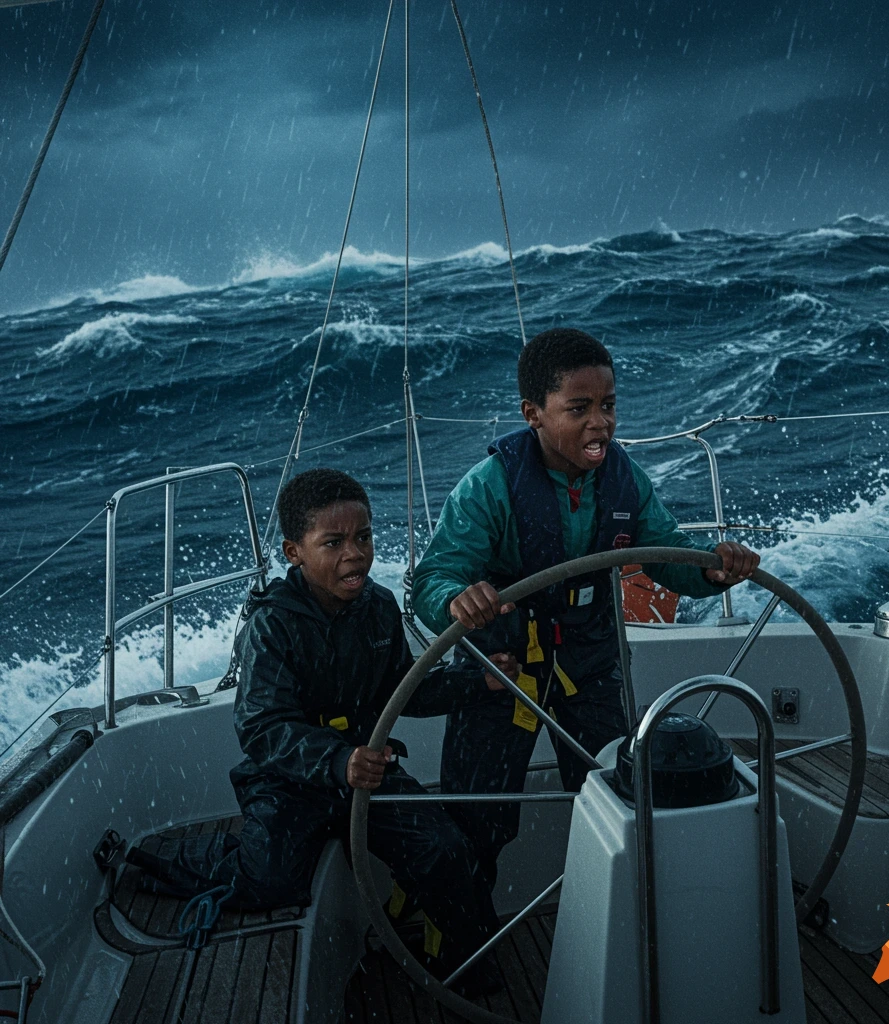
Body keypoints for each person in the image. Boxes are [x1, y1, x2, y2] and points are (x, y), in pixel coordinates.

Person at [126, 468, 511, 993]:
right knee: (269, 880)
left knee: (446, 850)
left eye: (363, 537)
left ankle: (468, 969)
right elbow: (262, 728)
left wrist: (476, 682)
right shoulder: (272, 625)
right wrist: (335, 761)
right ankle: (150, 860)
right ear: (293, 553)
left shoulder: (377, 608)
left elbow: (404, 690)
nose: (355, 554)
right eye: (333, 542)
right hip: (289, 782)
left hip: (369, 772)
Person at [412, 327, 760, 887]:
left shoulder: (625, 480)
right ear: (534, 414)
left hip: (591, 669)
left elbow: (670, 558)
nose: (601, 423)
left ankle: (618, 916)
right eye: (579, 408)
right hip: (504, 675)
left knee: (619, 800)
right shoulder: (490, 487)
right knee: (478, 817)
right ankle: (450, 933)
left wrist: (711, 568)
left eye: (608, 405)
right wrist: (455, 598)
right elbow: (432, 577)